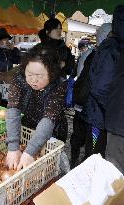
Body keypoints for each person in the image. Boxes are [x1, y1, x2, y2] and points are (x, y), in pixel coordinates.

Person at [5, 44, 67, 170]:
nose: (33, 80)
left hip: (52, 132)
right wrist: (13, 147)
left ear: (52, 73)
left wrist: (29, 152)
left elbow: (49, 119)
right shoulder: (19, 80)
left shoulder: (59, 85)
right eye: (30, 74)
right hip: (27, 127)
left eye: (39, 76)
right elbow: (13, 109)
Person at [82, 5, 124, 159]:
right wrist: (115, 108)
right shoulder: (110, 49)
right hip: (99, 117)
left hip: (106, 116)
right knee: (93, 158)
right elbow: (100, 87)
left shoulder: (115, 47)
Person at [70, 23, 112, 168]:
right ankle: (79, 168)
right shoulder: (102, 55)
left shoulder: (92, 54)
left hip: (84, 108)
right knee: (93, 150)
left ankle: (74, 161)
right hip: (93, 111)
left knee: (82, 140)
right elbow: (98, 87)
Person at [105, 5, 124, 173]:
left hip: (111, 118)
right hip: (100, 116)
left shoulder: (110, 49)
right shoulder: (110, 50)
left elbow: (101, 87)